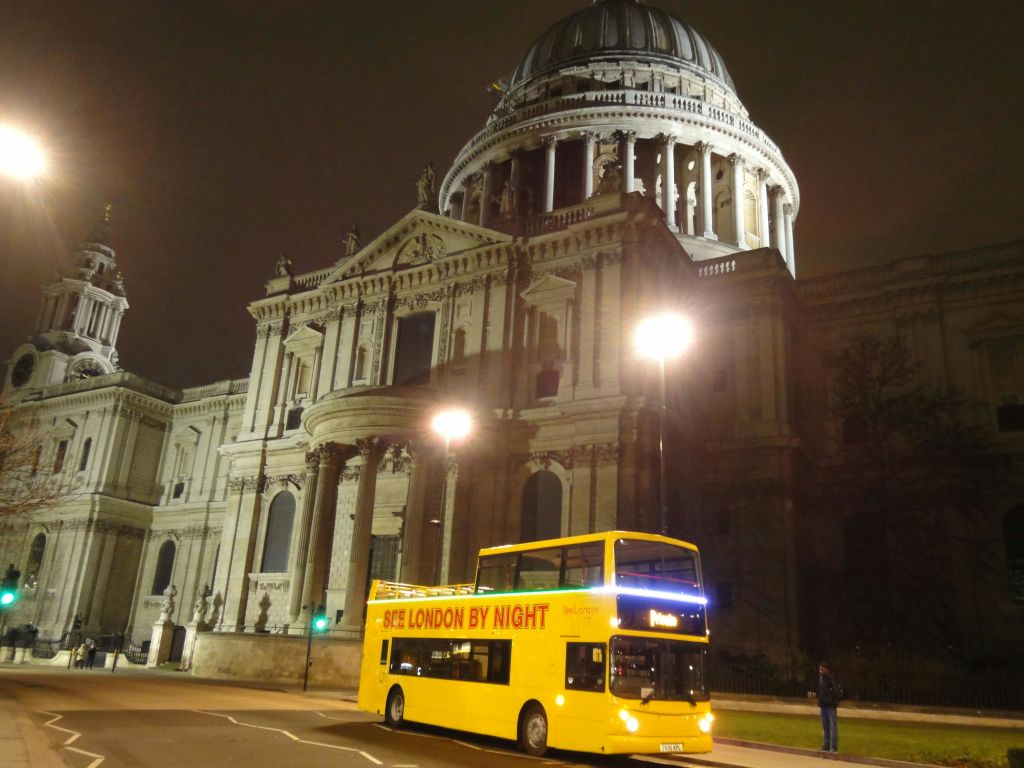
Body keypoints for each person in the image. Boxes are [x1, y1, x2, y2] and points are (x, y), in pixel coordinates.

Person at [817, 662, 842, 752]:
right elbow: (821, 692)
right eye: (820, 669)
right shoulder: (821, 679)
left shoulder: (831, 679)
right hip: (823, 706)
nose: (820, 671)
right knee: (825, 727)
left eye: (822, 669)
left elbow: (836, 692)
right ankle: (826, 745)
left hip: (830, 706)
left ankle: (834, 746)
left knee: (833, 726)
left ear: (826, 669)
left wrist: (834, 702)